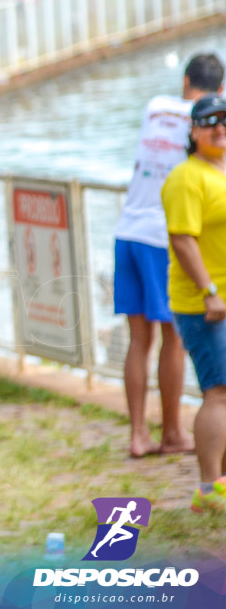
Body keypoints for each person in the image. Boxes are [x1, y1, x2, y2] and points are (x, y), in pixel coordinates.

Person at [113, 54, 220, 459]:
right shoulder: (204, 120)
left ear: (186, 79)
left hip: (127, 230)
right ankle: (172, 431)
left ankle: (138, 434)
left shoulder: (155, 107)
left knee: (139, 339)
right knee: (173, 339)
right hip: (162, 238)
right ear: (220, 91)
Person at [162, 95, 226, 515]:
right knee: (218, 392)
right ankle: (208, 487)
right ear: (193, 131)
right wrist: (208, 291)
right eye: (209, 123)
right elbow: (182, 239)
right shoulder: (188, 177)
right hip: (206, 304)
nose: (219, 128)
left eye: (224, 121)